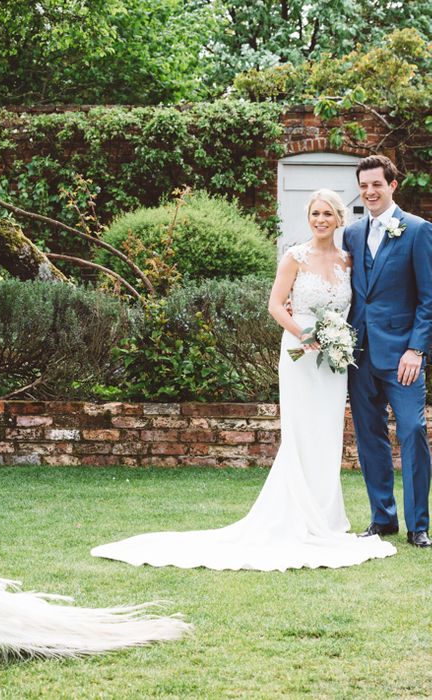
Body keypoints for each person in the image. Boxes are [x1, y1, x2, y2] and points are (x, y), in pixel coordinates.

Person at [91, 190, 396, 570]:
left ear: (338, 219)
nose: (320, 219)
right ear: (310, 217)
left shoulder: (349, 261)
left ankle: (327, 519)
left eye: (327, 214)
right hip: (300, 356)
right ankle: (297, 516)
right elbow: (274, 305)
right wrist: (304, 334)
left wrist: (337, 339)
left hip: (333, 363)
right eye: (315, 213)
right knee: (301, 434)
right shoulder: (294, 257)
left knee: (329, 434)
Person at [343, 155, 432, 548]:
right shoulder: (351, 233)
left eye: (376, 184)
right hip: (358, 353)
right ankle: (383, 520)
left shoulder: (417, 230)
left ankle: (418, 525)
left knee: (412, 430)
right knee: (369, 436)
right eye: (363, 185)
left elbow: (428, 299)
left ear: (393, 185)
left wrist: (416, 349)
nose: (369, 191)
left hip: (402, 357)